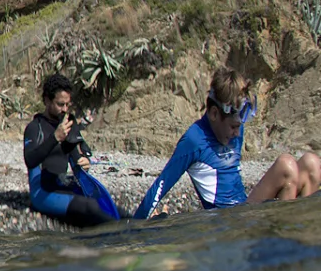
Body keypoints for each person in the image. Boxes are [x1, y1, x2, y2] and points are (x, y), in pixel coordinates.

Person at [132, 68, 321, 219]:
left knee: (312, 163)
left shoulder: (233, 129)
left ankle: (297, 240)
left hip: (245, 210)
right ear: (214, 114)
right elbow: (159, 187)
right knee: (286, 166)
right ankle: (285, 242)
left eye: (239, 126)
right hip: (226, 223)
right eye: (233, 126)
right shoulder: (194, 140)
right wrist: (132, 233)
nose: (237, 133)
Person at [23, 74, 115, 227]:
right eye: (60, 104)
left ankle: (136, 228)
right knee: (90, 207)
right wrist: (55, 138)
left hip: (62, 185)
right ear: (47, 100)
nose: (64, 109)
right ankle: (122, 233)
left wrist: (84, 162)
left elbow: (76, 159)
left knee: (106, 206)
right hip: (42, 192)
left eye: (67, 104)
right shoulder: (35, 128)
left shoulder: (68, 122)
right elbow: (30, 160)